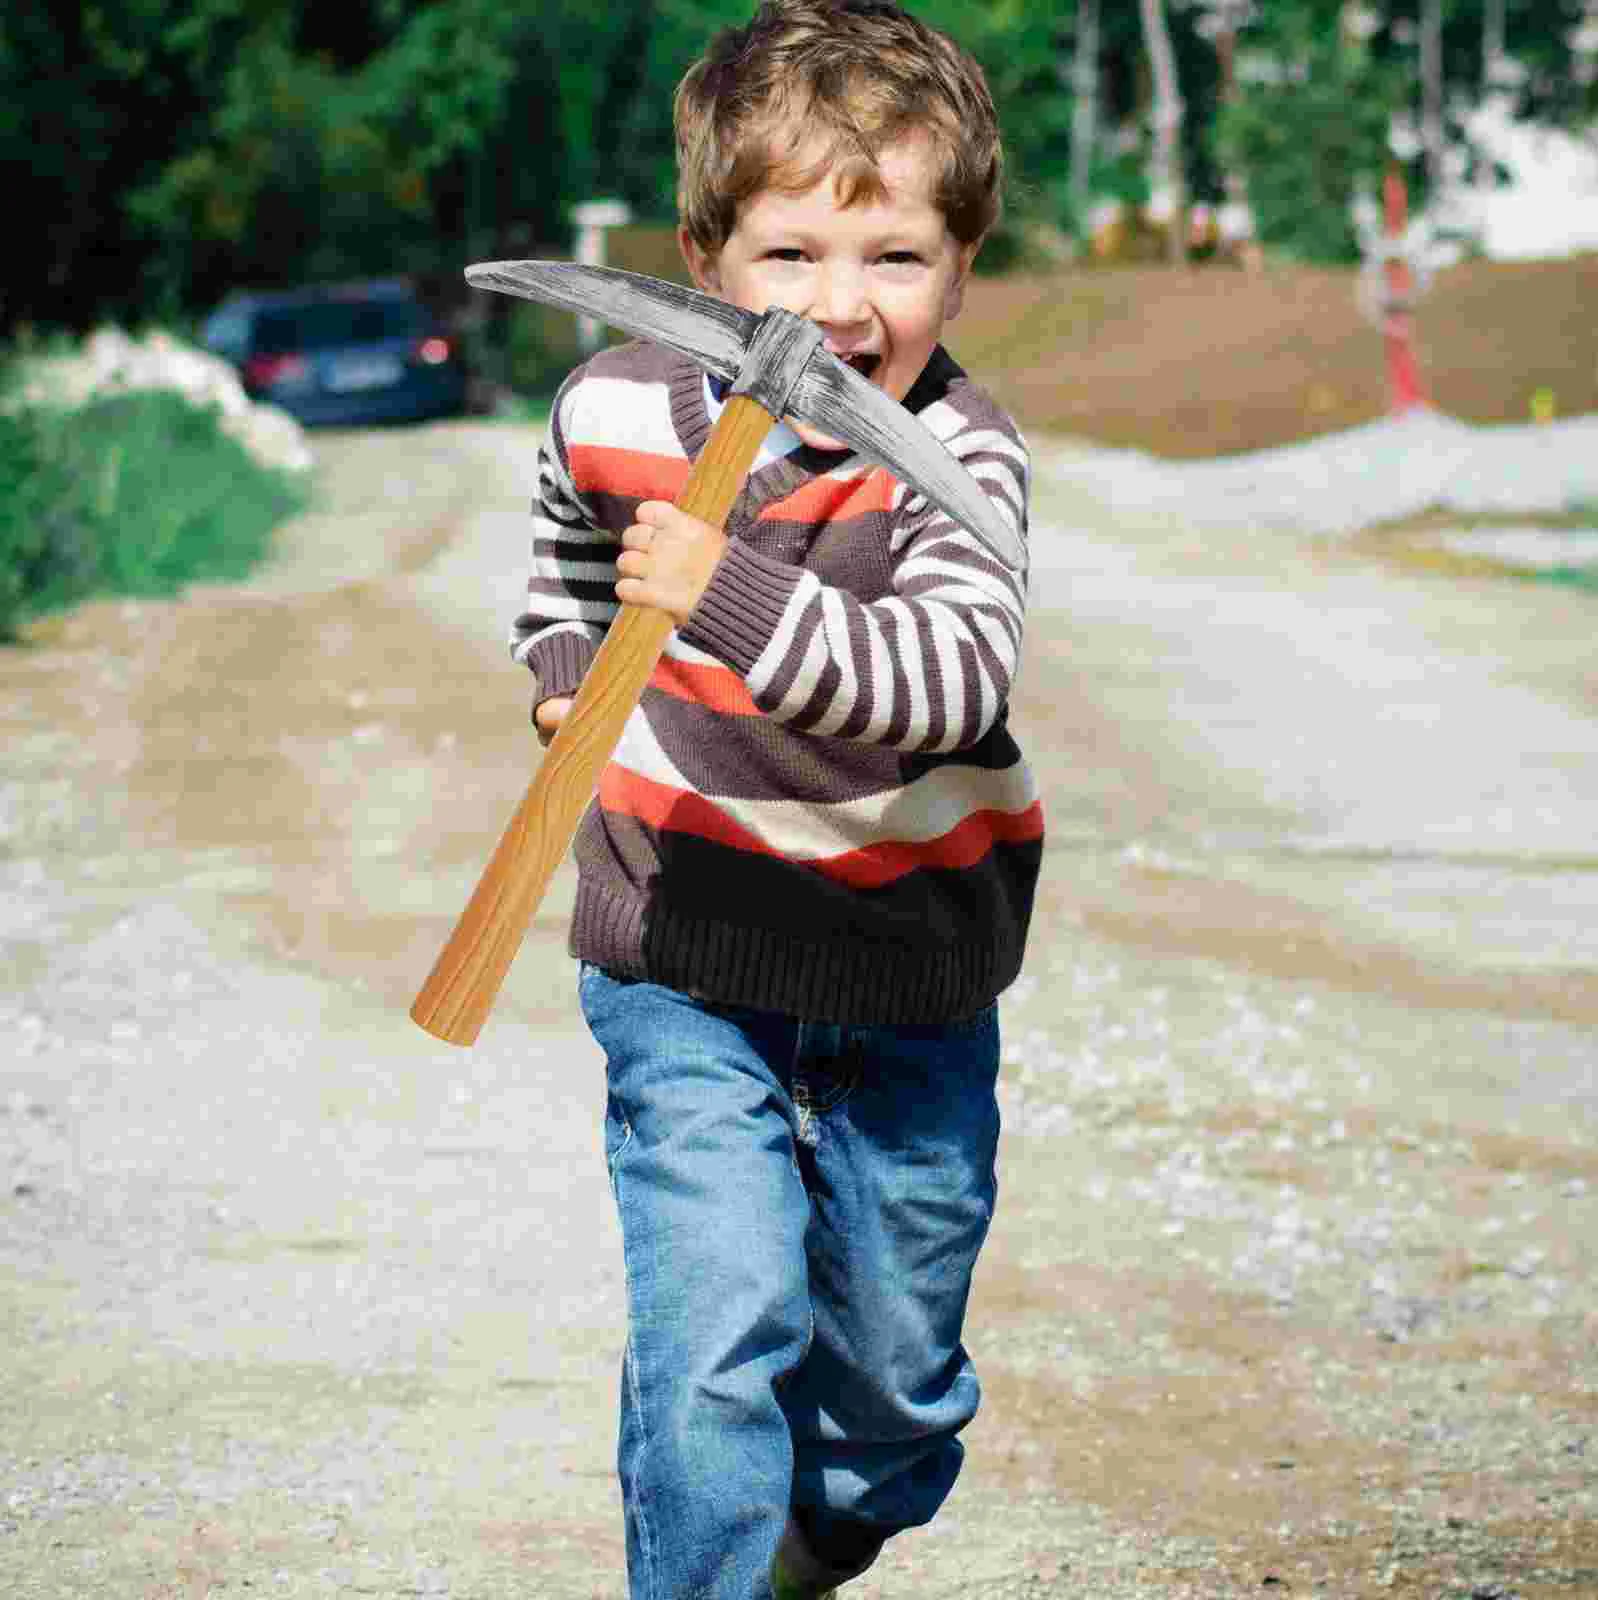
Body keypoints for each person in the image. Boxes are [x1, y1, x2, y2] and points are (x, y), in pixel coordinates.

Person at [508, 3, 1042, 1594]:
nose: (839, 309)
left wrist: (723, 593)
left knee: (893, 1396)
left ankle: (812, 1543)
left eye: (893, 258)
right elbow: (559, 539)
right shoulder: (613, 405)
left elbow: (941, 683)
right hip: (684, 942)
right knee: (716, 1331)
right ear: (703, 259)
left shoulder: (962, 458)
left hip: (904, 966)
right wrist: (561, 659)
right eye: (790, 258)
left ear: (963, 266)